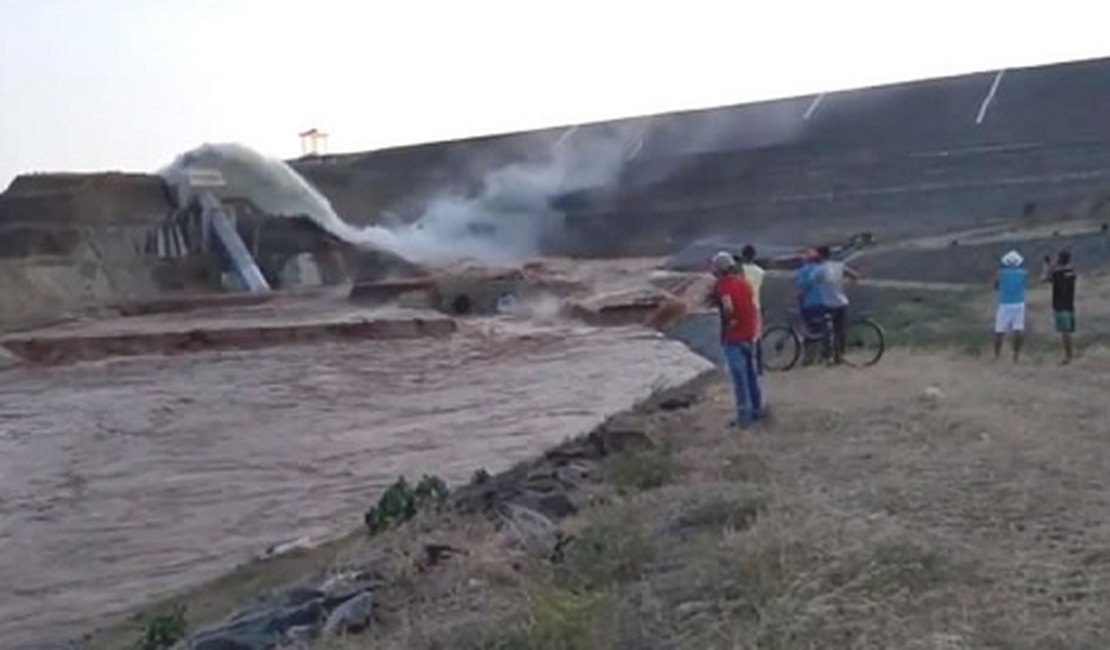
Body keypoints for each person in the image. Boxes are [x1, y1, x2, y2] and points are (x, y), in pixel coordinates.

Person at [710, 251, 763, 427]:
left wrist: (730, 321)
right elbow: (751, 306)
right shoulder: (744, 283)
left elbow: (728, 306)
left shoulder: (722, 286)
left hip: (733, 336)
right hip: (749, 334)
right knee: (751, 374)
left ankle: (744, 417)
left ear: (719, 269)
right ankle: (757, 410)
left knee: (739, 378)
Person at [813, 245, 861, 363]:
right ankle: (840, 356)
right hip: (842, 302)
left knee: (826, 330)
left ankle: (827, 354)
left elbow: (812, 283)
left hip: (828, 303)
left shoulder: (819, 269)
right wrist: (845, 287)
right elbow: (855, 276)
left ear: (819, 256)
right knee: (840, 331)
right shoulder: (839, 266)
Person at [1042, 249, 1077, 364]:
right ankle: (1070, 354)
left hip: (1060, 305)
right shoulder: (1072, 272)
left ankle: (1068, 357)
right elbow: (1063, 270)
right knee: (1069, 332)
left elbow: (1045, 278)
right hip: (1070, 304)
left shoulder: (1057, 274)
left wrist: (1047, 265)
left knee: (1065, 332)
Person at [993, 249, 1027, 362]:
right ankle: (1016, 354)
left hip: (1005, 303)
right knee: (1019, 329)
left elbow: (996, 286)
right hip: (1019, 303)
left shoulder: (1001, 273)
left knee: (999, 330)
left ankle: (997, 354)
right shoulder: (1023, 273)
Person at [793, 249, 825, 364]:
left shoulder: (802, 271)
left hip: (809, 304)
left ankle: (808, 357)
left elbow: (800, 286)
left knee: (807, 331)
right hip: (824, 302)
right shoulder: (823, 269)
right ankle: (822, 354)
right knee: (821, 329)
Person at [739, 245, 765, 373]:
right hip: (756, 306)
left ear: (743, 256)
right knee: (757, 336)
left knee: (742, 336)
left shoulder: (740, 272)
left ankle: (745, 364)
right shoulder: (761, 272)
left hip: (742, 306)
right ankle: (759, 366)